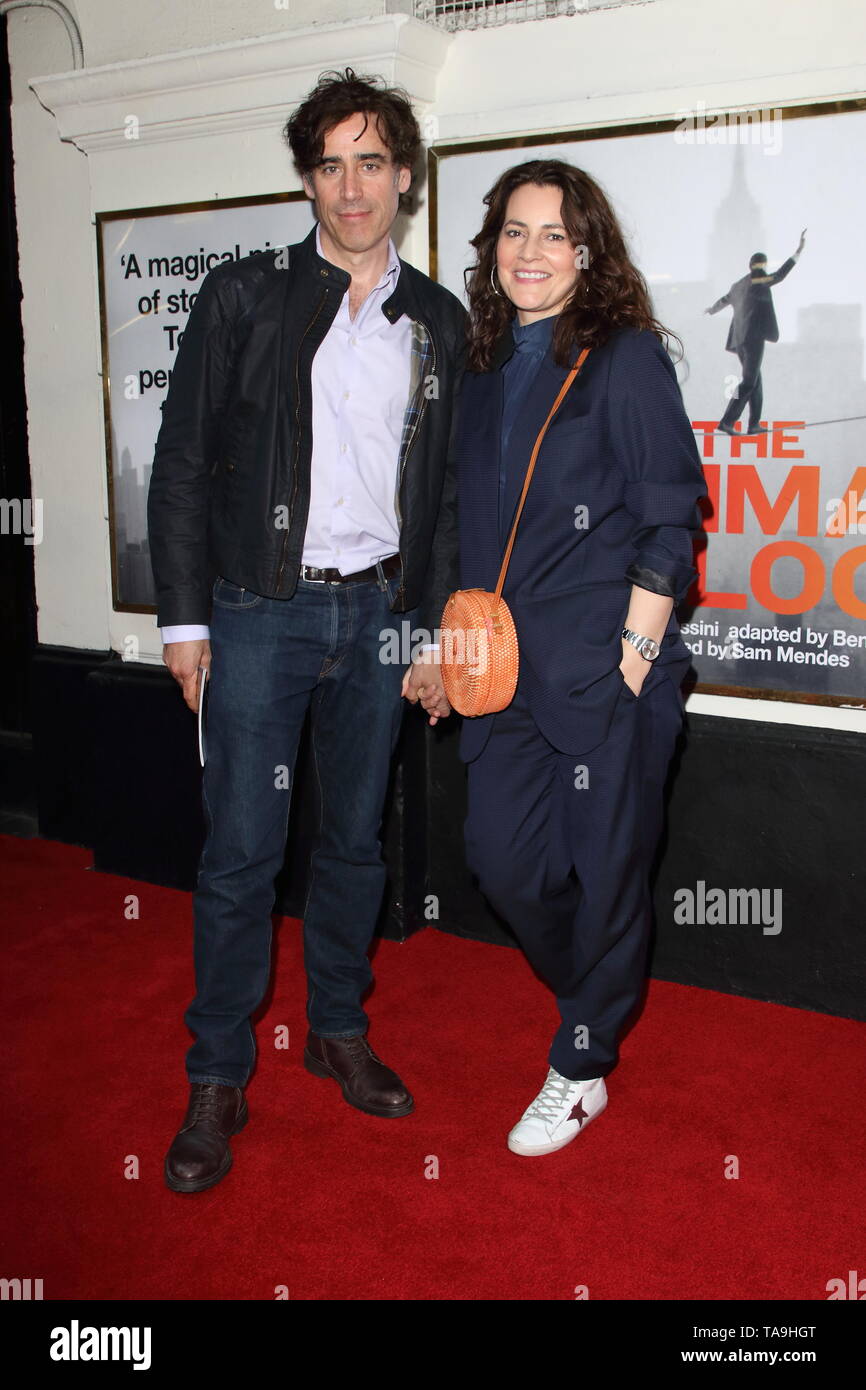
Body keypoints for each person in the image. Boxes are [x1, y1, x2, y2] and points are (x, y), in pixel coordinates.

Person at [147, 68, 465, 1194]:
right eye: (328, 163)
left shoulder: (437, 318)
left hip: (379, 609)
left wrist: (428, 627)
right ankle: (218, 1073)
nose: (350, 186)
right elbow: (181, 462)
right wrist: (183, 620)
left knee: (356, 844)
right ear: (304, 179)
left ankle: (337, 1028)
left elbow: (446, 495)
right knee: (239, 851)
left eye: (371, 161)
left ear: (403, 178)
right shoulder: (242, 297)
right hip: (257, 611)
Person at [418, 158, 707, 1156]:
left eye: (552, 234)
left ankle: (580, 1063)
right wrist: (441, 644)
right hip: (498, 674)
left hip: (606, 676)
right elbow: (459, 522)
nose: (528, 251)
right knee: (503, 862)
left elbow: (670, 519)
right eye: (512, 231)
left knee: (607, 870)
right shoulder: (482, 367)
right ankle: (595, 980)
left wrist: (632, 660)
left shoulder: (621, 359)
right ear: (490, 249)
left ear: (586, 255)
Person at [706, 229, 806, 435]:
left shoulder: (738, 285)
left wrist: (711, 310)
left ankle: (754, 424)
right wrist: (798, 252)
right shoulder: (758, 280)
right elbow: (780, 275)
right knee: (750, 382)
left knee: (756, 382)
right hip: (752, 339)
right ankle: (727, 421)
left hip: (739, 341)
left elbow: (724, 300)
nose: (763, 269)